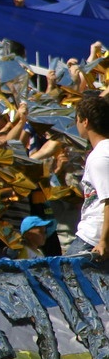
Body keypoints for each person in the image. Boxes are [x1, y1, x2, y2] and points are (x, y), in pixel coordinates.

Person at [68, 94, 109, 256]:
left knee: (61, 278)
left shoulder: (100, 156)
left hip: (92, 239)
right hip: (97, 238)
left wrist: (103, 241)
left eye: (77, 120)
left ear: (85, 122)